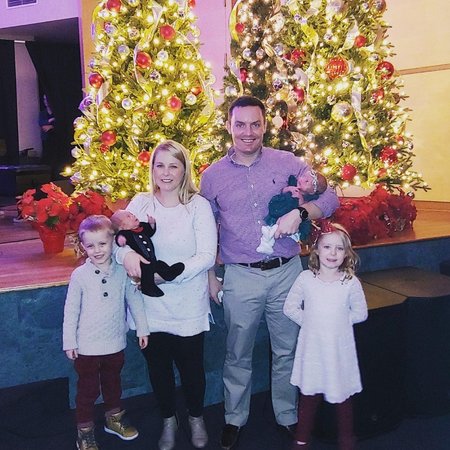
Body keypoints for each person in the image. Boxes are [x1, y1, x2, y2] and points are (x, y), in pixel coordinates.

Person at [200, 95, 340, 449]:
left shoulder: (288, 161)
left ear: (265, 126)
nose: (248, 132)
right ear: (228, 126)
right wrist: (211, 275)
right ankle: (234, 418)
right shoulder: (211, 177)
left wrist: (302, 212)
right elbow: (206, 230)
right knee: (237, 353)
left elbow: (331, 198)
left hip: (286, 273)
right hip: (240, 275)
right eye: (240, 124)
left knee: (287, 349)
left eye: (255, 124)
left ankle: (287, 415)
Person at [116, 140, 217, 450]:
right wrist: (126, 256)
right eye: (160, 165)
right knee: (158, 370)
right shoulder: (140, 203)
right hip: (150, 306)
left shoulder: (198, 206)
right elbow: (117, 242)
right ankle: (168, 420)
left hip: (188, 303)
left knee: (192, 370)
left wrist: (167, 275)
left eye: (174, 165)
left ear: (185, 170)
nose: (166, 172)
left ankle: (196, 418)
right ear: (152, 169)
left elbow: (206, 256)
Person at [62, 215, 149, 450]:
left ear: (114, 241)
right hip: (87, 347)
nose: (97, 250)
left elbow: (134, 300)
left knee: (113, 384)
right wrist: (70, 341)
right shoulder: (80, 275)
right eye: (90, 246)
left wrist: (142, 328)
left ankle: (114, 419)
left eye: (102, 244)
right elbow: (71, 310)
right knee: (87, 390)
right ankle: (85, 431)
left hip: (114, 342)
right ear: (83, 246)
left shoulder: (122, 271)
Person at [283, 222, 368, 450]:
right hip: (312, 349)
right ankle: (301, 439)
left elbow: (360, 313)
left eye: (339, 248)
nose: (333, 253)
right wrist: (311, 322)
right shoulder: (305, 279)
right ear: (317, 250)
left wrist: (337, 323)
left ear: (346, 253)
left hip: (339, 350)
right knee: (308, 395)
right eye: (327, 247)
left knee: (342, 397)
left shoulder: (350, 282)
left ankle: (346, 440)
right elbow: (290, 307)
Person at [111, 209, 185, 297]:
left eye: (132, 214)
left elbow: (150, 232)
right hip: (142, 261)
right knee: (147, 273)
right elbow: (117, 239)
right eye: (128, 216)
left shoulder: (141, 227)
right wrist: (121, 239)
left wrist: (152, 224)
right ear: (122, 227)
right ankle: (148, 288)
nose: (133, 216)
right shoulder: (125, 233)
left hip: (152, 259)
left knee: (160, 265)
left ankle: (169, 273)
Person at [257, 170, 328, 254]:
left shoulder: (308, 198)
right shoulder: (292, 183)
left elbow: (305, 207)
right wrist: (288, 189)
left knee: (284, 230)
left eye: (307, 181)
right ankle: (268, 236)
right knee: (275, 223)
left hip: (290, 218)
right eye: (303, 176)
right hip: (281, 207)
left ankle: (268, 242)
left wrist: (301, 201)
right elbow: (282, 191)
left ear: (312, 192)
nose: (302, 180)